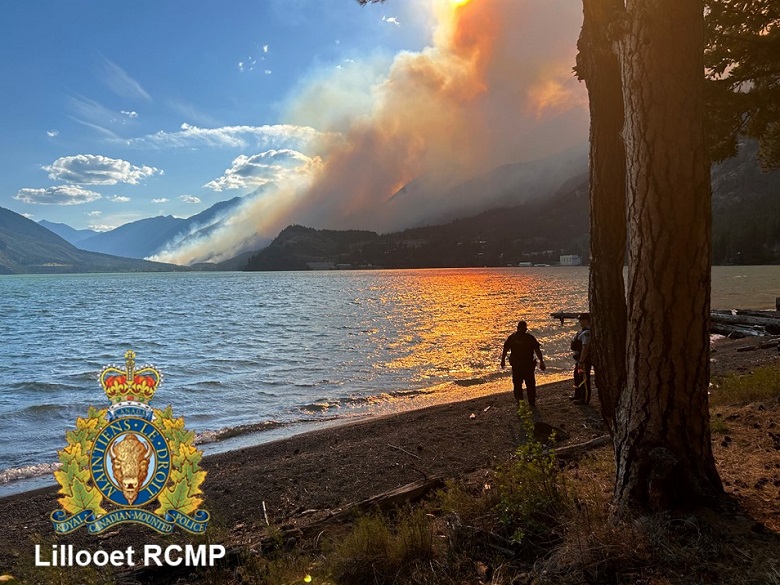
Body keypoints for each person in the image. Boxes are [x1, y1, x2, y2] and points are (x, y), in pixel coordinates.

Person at [501, 320, 545, 407]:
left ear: (517, 328)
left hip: (517, 365)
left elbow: (505, 349)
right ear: (525, 329)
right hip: (527, 365)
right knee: (530, 384)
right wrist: (541, 362)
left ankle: (520, 401)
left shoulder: (513, 337)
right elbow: (537, 350)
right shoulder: (530, 338)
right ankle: (531, 402)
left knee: (517, 383)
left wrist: (502, 361)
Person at [570, 312, 592, 404]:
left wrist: (581, 361)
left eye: (581, 320)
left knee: (584, 378)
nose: (579, 321)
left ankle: (584, 398)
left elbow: (585, 347)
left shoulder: (586, 333)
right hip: (579, 358)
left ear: (586, 320)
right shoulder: (582, 331)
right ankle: (577, 394)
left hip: (583, 359)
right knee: (577, 376)